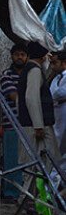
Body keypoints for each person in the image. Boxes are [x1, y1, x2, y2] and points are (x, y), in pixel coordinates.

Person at [17, 41, 58, 213]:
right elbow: (31, 98)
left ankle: (33, 199)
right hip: (35, 126)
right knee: (39, 162)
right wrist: (38, 125)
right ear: (42, 56)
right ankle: (27, 199)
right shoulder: (33, 71)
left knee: (37, 163)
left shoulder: (32, 70)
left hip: (31, 124)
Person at [0, 43, 27, 201]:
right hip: (11, 124)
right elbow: (13, 95)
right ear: (12, 56)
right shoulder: (6, 75)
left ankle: (24, 192)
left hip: (27, 124)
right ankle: (11, 193)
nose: (20, 57)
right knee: (12, 161)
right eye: (17, 54)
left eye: (23, 54)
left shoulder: (30, 73)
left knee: (25, 161)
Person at [49, 51, 66, 200]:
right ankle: (53, 192)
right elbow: (55, 94)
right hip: (58, 116)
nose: (52, 66)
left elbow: (60, 93)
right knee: (57, 153)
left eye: (55, 63)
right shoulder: (55, 79)